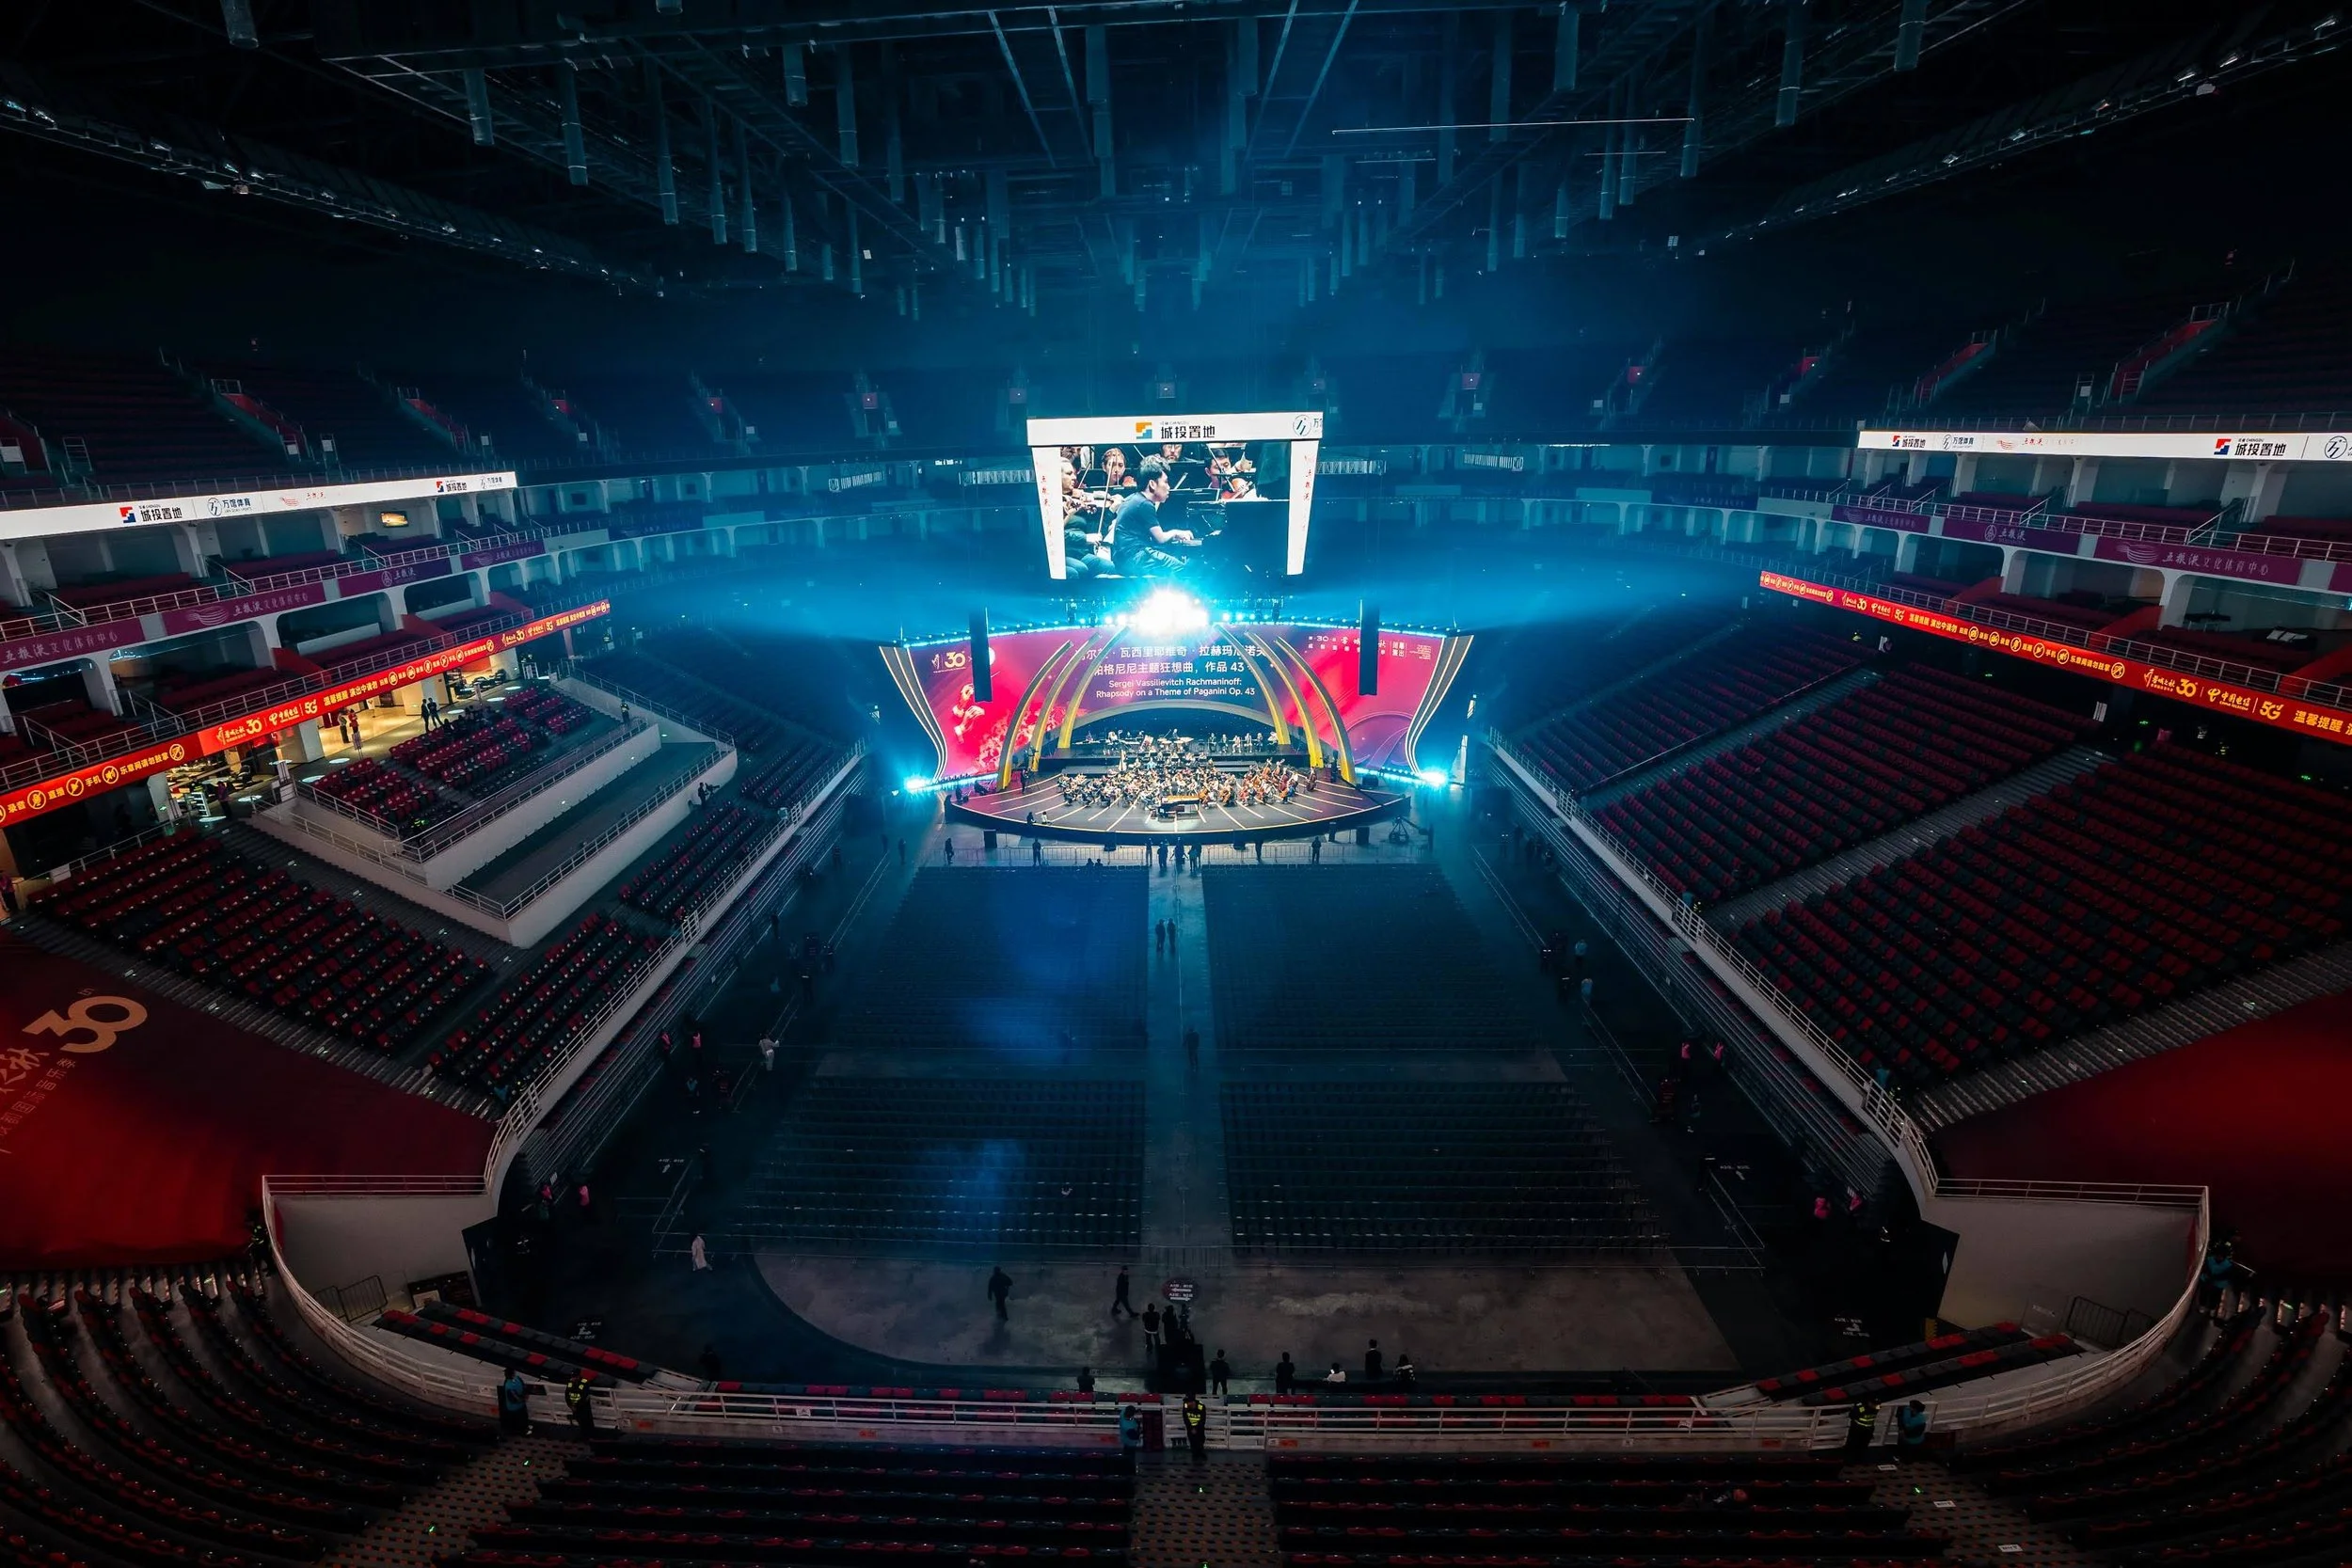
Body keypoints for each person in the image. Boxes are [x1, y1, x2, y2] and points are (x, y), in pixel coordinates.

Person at [1110, 457, 1200, 576]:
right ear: (1152, 484)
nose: (1169, 487)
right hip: (1136, 557)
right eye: (1166, 482)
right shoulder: (1144, 504)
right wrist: (1176, 532)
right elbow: (1160, 538)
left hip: (1124, 559)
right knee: (1184, 570)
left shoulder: (1133, 499)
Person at [499, 1367, 531, 1434]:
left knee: (524, 1416)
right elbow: (515, 1398)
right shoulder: (508, 1385)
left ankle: (525, 1427)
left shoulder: (517, 1378)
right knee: (520, 1419)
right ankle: (524, 1431)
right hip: (515, 1406)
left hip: (520, 1403)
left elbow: (523, 1385)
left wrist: (526, 1394)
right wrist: (524, 1399)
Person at [565, 1370, 596, 1435]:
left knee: (587, 1422)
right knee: (580, 1422)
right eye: (572, 1377)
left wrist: (578, 1406)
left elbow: (585, 1396)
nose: (573, 1378)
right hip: (574, 1407)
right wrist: (570, 1405)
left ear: (578, 1376)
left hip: (583, 1407)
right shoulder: (570, 1383)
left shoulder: (584, 1382)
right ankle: (583, 1434)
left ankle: (591, 1434)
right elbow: (567, 1395)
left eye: (575, 1377)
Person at [1182, 1393, 1207, 1462]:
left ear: (1193, 1401)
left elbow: (1203, 1419)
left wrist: (1196, 1428)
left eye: (1188, 1402)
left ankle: (1201, 1452)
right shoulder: (1186, 1405)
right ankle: (1194, 1454)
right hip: (1190, 1427)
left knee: (1201, 1439)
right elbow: (1185, 1418)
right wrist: (1191, 1428)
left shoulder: (1201, 1406)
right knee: (1192, 1440)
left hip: (1199, 1426)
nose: (1187, 1403)